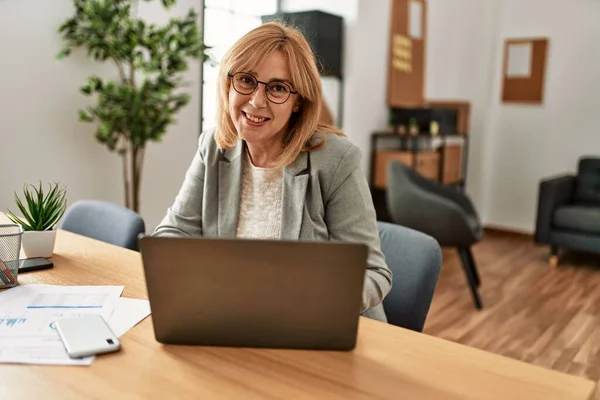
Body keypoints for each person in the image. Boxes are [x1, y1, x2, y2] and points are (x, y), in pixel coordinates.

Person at [153, 21, 392, 322]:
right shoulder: (214, 146)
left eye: (277, 88)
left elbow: (373, 272)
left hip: (318, 328)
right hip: (232, 319)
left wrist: (306, 302)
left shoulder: (337, 160)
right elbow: (172, 234)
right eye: (246, 80)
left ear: (297, 101)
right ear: (228, 83)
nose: (256, 101)